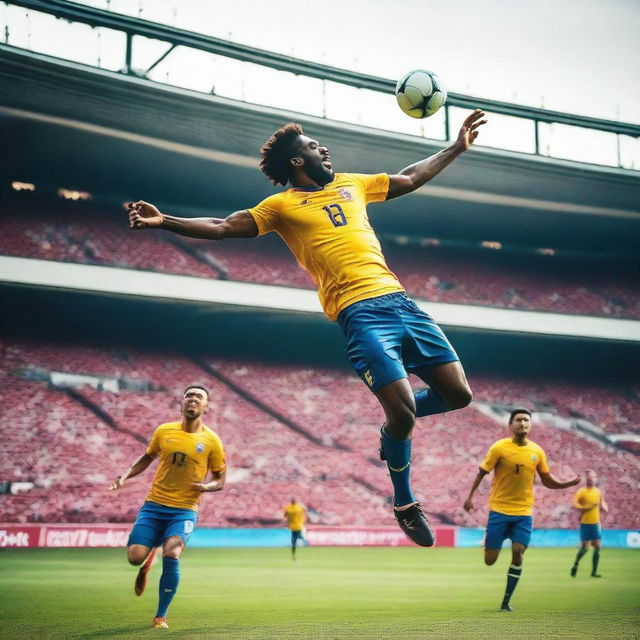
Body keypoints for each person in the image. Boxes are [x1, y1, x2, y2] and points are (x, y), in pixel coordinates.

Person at [128, 109, 487, 547]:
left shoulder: (353, 184)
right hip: (359, 314)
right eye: (315, 146)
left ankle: (391, 433)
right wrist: (165, 220)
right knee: (405, 414)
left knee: (459, 396)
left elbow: (408, 178)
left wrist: (455, 147)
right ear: (298, 162)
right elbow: (223, 226)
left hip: (403, 304)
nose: (324, 148)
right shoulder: (281, 206)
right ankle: (404, 500)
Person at [107, 385, 226, 630]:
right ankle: (149, 557)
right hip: (154, 506)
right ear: (181, 404)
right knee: (134, 558)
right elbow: (147, 456)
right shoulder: (164, 431)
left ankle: (160, 616)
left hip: (184, 509)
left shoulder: (212, 441)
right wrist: (125, 476)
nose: (193, 399)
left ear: (206, 406)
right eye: (189, 395)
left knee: (172, 551)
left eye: (199, 397)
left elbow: (220, 479)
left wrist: (206, 487)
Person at [464, 409, 580, 612]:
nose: (523, 423)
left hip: (524, 512)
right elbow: (482, 472)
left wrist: (566, 483)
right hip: (499, 510)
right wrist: (470, 497)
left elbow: (547, 479)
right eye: (518, 420)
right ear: (511, 424)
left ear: (531, 425)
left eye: (526, 420)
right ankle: (489, 537)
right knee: (490, 561)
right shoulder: (499, 448)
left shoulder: (537, 452)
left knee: (518, 553)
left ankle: (506, 601)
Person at [570, 470, 608, 578]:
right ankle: (576, 564)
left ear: (595, 479)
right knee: (585, 548)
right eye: (589, 477)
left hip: (595, 522)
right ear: (586, 479)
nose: (591, 479)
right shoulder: (581, 491)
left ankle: (594, 572)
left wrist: (604, 507)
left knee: (597, 546)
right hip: (585, 523)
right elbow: (575, 504)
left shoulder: (597, 492)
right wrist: (585, 508)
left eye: (593, 477)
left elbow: (602, 502)